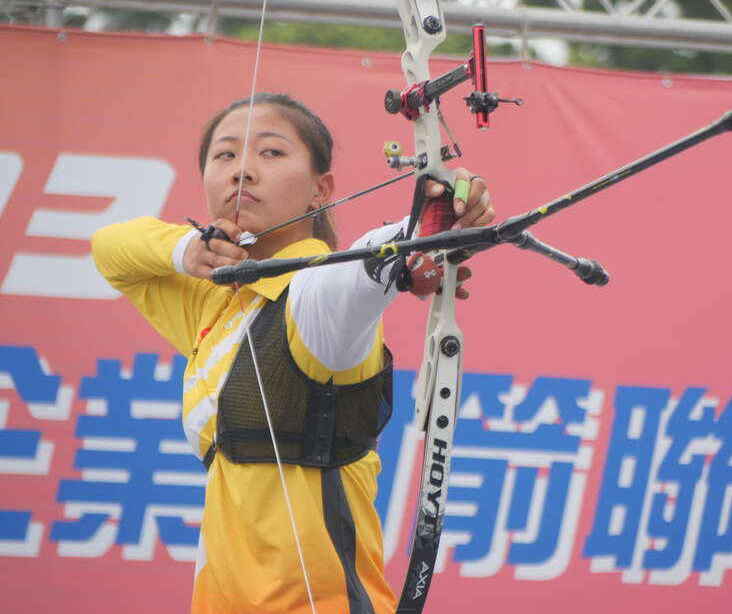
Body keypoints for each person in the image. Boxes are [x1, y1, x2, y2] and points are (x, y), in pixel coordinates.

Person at [91, 92, 495, 614]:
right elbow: (109, 248)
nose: (243, 172)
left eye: (272, 153)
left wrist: (430, 223)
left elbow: (361, 271)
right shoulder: (210, 304)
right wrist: (184, 250)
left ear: (320, 190)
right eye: (225, 156)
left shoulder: (313, 298)